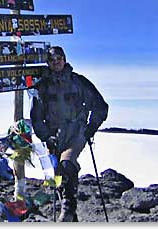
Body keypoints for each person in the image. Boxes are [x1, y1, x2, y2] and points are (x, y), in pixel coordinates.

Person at [30, 46, 108, 222]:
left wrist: (90, 128)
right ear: (48, 63)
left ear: (64, 59)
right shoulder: (42, 87)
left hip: (76, 132)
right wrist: (46, 136)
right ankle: (72, 219)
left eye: (59, 58)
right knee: (57, 175)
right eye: (52, 59)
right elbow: (36, 117)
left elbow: (101, 106)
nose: (56, 62)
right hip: (54, 137)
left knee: (67, 163)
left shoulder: (78, 82)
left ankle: (67, 210)